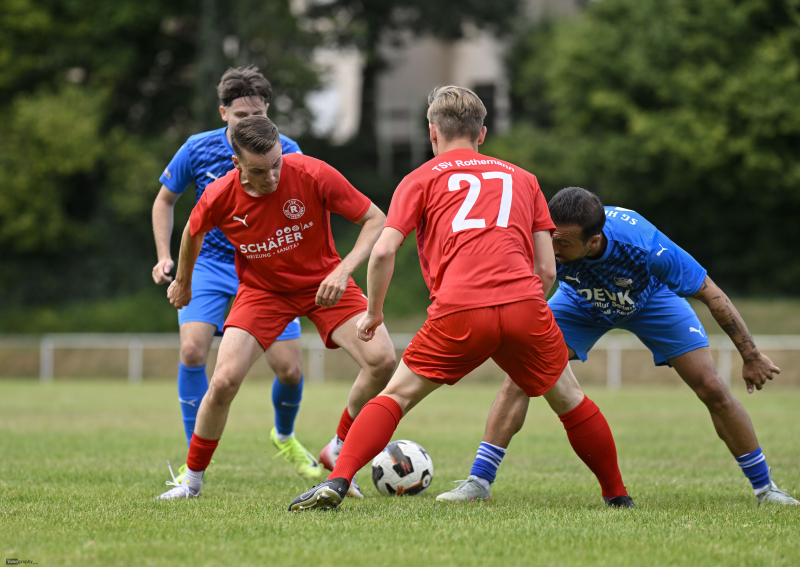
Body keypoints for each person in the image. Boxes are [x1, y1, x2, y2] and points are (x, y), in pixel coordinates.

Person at [288, 86, 634, 512]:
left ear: (432, 133)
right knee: (569, 399)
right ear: (482, 133)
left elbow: (381, 251)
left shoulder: (419, 178)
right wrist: (522, 306)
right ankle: (617, 495)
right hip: (525, 305)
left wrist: (374, 314)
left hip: (459, 311)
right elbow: (547, 269)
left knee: (396, 397)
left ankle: (338, 481)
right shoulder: (524, 180)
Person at [440, 187, 799, 505]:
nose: (552, 248)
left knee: (712, 387)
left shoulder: (647, 248)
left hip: (649, 302)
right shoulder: (545, 242)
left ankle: (766, 489)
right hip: (579, 304)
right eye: (550, 236)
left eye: (563, 243)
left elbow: (710, 292)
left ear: (593, 241)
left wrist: (750, 355)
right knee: (520, 378)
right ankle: (479, 481)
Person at [157, 115, 396, 500]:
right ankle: (192, 481)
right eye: (258, 170)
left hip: (324, 283)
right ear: (236, 164)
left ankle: (338, 446)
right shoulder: (219, 195)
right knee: (222, 382)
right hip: (263, 293)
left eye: (276, 165)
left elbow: (375, 219)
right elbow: (192, 230)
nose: (270, 177)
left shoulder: (312, 173)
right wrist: (183, 280)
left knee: (383, 359)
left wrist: (343, 270)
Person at [151, 67, 319, 481]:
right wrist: (164, 257)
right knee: (192, 351)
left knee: (290, 370)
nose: (250, 123)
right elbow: (164, 201)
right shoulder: (198, 148)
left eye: (257, 115)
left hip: (267, 266)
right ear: (223, 112)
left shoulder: (287, 152)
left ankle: (284, 436)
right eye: (241, 117)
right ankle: (195, 461)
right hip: (210, 262)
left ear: (269, 111)